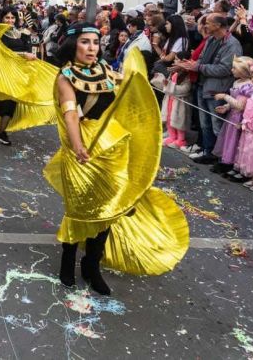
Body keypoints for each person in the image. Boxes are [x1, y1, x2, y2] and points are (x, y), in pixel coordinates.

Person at [45, 23, 188, 294]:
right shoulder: (65, 77)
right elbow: (71, 115)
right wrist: (77, 145)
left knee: (109, 208)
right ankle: (68, 261)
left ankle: (91, 266)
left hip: (113, 149)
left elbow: (128, 87)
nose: (91, 47)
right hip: (83, 151)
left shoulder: (105, 70)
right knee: (80, 208)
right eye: (85, 42)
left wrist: (136, 79)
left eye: (95, 42)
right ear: (73, 45)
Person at [173, 13, 243, 164]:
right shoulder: (211, 39)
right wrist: (189, 65)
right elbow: (201, 59)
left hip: (217, 89)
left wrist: (198, 67)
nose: (205, 25)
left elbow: (225, 69)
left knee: (217, 125)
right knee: (205, 124)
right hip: (203, 85)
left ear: (218, 25)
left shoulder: (232, 44)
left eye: (208, 23)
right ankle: (208, 152)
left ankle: (222, 158)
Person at [0, 7, 38, 146]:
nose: (10, 20)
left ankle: (2, 132)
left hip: (17, 74)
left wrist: (30, 53)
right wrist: (23, 55)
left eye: (13, 18)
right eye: (7, 17)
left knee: (11, 103)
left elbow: (29, 48)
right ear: (1, 18)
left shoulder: (21, 33)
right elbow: (2, 53)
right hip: (2, 73)